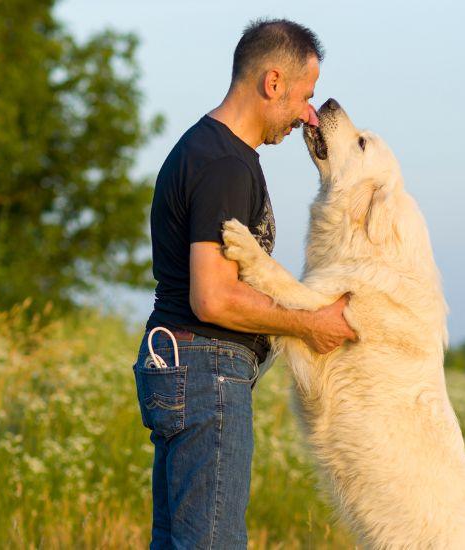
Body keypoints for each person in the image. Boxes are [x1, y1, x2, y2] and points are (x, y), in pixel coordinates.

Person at [131, 17, 357, 549]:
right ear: (272, 83)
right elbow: (211, 297)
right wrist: (309, 325)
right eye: (306, 95)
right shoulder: (224, 164)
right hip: (207, 371)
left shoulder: (205, 149)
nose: (308, 114)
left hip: (182, 364)